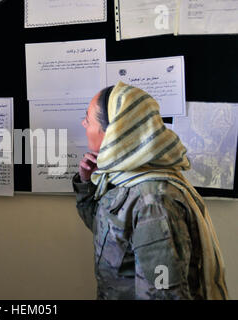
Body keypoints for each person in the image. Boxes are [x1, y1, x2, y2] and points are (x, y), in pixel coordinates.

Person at [73, 81, 229, 300]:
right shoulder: (123, 178)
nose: (83, 124)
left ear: (114, 131)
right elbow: (106, 231)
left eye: (88, 120)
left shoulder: (153, 202)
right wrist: (86, 183)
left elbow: (163, 293)